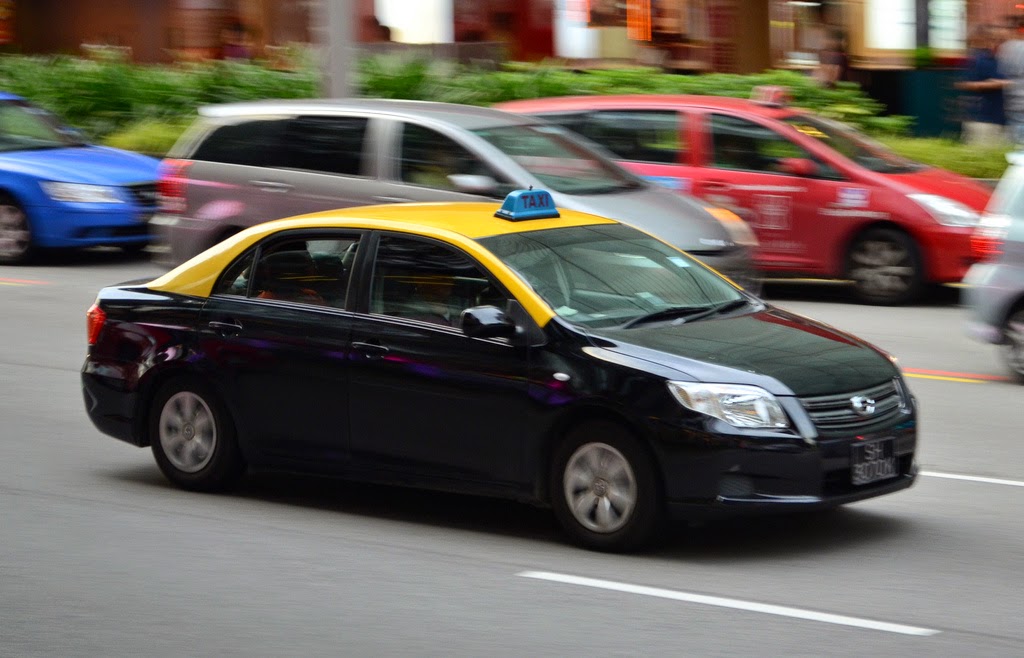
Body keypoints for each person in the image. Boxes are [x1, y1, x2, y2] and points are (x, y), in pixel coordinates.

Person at [956, 25, 1009, 147]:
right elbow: (964, 84)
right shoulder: (977, 59)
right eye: (998, 39)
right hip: (981, 120)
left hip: (999, 119)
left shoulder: (1000, 60)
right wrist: (996, 84)